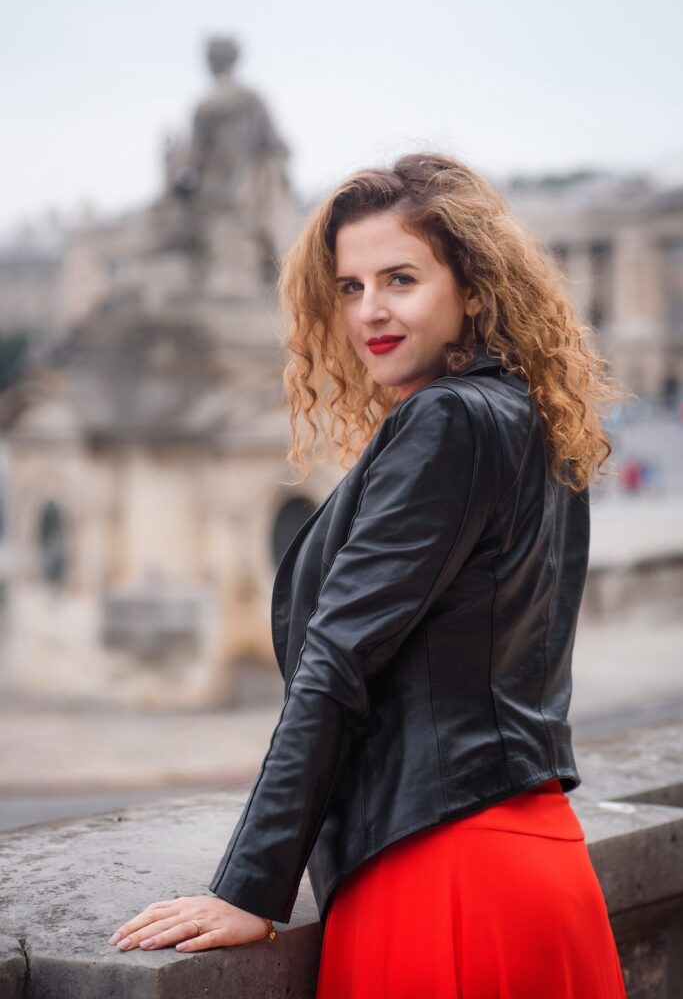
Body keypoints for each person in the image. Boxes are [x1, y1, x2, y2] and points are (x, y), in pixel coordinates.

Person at [108, 151, 629, 997]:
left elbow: (337, 662)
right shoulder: (529, 417)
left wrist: (248, 886)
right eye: (350, 287)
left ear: (474, 288)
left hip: (437, 874)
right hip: (535, 859)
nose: (369, 311)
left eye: (400, 280)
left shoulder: (447, 422)